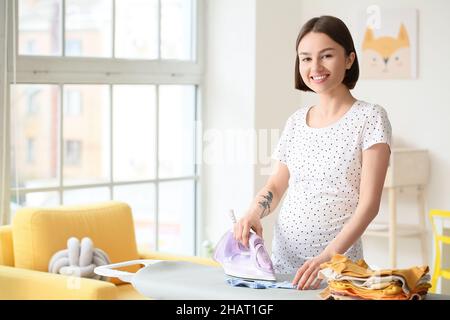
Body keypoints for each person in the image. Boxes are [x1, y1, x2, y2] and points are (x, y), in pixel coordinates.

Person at [233, 15, 392, 290]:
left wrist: (329, 256)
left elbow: (369, 205)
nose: (315, 67)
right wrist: (254, 212)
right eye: (305, 58)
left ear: (349, 59)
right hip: (284, 265)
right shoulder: (296, 121)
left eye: (326, 56)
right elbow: (276, 185)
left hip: (337, 267)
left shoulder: (370, 118)